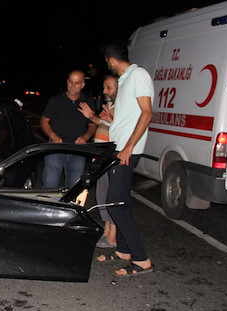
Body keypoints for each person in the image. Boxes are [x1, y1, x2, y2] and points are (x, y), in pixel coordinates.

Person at [98, 40, 154, 276]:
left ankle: (141, 259)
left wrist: (129, 147)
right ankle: (123, 250)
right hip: (118, 148)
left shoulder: (138, 75)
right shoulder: (124, 81)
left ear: (111, 59)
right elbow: (129, 117)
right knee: (121, 202)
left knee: (115, 203)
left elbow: (147, 112)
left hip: (126, 151)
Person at [40, 70, 98, 188]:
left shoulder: (87, 102)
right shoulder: (56, 100)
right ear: (67, 82)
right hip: (56, 149)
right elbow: (44, 121)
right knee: (49, 184)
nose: (72, 85)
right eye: (70, 82)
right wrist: (53, 136)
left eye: (76, 83)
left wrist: (85, 138)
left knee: (74, 187)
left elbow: (93, 125)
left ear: (82, 84)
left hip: (77, 150)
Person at [79, 74, 118, 248]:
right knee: (102, 194)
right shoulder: (110, 105)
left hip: (111, 157)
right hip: (102, 156)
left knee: (111, 195)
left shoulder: (123, 107)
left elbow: (120, 127)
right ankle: (107, 230)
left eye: (108, 87)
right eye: (104, 87)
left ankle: (113, 235)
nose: (105, 91)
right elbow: (103, 122)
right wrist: (91, 116)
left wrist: (112, 121)